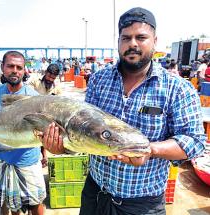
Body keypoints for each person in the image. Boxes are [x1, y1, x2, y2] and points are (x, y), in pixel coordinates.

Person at [41, 7, 206, 215]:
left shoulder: (177, 88)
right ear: (118, 42)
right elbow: (82, 131)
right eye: (126, 38)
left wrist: (150, 150)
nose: (133, 44)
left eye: (141, 37)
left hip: (142, 204)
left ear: (155, 41)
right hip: (95, 193)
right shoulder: (100, 80)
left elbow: (195, 140)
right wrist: (63, 146)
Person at [0, 51, 46, 215]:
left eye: (19, 67)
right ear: (2, 68)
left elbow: (43, 129)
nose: (15, 70)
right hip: (3, 159)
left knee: (35, 203)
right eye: (10, 66)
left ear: (24, 70)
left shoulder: (33, 97)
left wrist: (44, 154)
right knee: (8, 204)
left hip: (28, 160)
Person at [28, 63, 62, 168]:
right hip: (32, 112)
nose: (50, 79)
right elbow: (26, 95)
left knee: (45, 135)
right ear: (46, 73)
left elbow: (58, 103)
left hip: (46, 116)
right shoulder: (34, 81)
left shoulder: (57, 87)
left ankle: (44, 156)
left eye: (53, 78)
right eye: (49, 76)